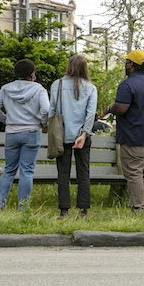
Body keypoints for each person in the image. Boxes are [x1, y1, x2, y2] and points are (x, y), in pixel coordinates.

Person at [102, 49, 144, 212]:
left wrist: (110, 108)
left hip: (134, 136)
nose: (125, 64)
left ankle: (138, 206)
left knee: (134, 173)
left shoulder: (127, 84)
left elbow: (121, 108)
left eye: (127, 62)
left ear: (132, 65)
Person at [0, 58, 50, 211]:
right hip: (32, 132)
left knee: (9, 170)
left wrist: (6, 119)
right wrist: (42, 122)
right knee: (27, 172)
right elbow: (47, 110)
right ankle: (23, 207)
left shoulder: (6, 88)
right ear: (32, 74)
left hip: (12, 132)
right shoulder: (39, 89)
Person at [49, 54, 98, 218]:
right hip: (82, 137)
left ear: (69, 66)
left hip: (62, 135)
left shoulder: (57, 85)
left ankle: (64, 210)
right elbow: (90, 114)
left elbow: (52, 111)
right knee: (83, 172)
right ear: (85, 68)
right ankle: (83, 210)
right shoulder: (90, 88)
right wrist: (84, 134)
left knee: (63, 174)